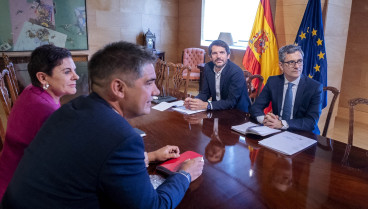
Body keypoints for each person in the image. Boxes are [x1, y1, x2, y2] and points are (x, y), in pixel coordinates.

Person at [1, 41, 204, 209]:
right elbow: (152, 206)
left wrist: (150, 157)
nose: (157, 91)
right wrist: (184, 175)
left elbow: (93, 161)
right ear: (118, 88)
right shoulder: (124, 139)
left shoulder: (72, 108)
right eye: (149, 82)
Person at [0, 44, 80, 200]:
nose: (76, 76)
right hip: (18, 192)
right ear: (42, 77)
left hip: (9, 174)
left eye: (74, 70)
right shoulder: (45, 110)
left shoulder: (32, 90)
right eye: (67, 72)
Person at [250, 44, 323, 134]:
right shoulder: (273, 82)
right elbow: (256, 107)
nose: (297, 66)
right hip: (276, 130)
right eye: (291, 62)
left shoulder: (314, 87)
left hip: (303, 133)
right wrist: (265, 120)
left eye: (299, 61)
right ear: (281, 65)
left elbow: (311, 122)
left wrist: (282, 124)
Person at [184, 40, 250, 112]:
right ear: (210, 57)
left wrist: (207, 105)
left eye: (222, 52)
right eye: (214, 53)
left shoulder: (236, 72)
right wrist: (194, 102)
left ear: (228, 56)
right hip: (217, 109)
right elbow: (205, 93)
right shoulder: (208, 67)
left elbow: (231, 102)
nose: (218, 56)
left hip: (238, 113)